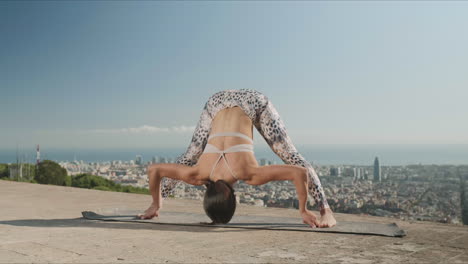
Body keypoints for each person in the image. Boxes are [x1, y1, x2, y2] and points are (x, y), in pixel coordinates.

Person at [138, 89, 336, 228]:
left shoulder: (249, 175)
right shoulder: (197, 175)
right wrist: (156, 202)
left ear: (228, 197)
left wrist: (304, 209)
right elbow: (155, 170)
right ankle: (159, 203)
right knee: (189, 158)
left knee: (290, 155)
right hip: (216, 102)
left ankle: (326, 211)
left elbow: (298, 172)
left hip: (253, 102)